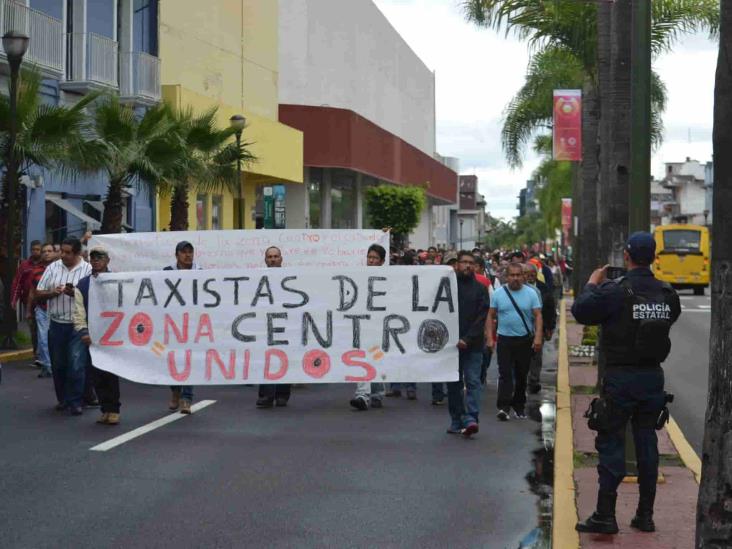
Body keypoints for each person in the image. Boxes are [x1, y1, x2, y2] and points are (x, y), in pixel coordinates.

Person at [573, 233, 681, 535]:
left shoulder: (615, 291)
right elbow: (668, 319)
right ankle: (645, 515)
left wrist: (593, 283)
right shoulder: (667, 293)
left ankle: (606, 515)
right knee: (647, 444)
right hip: (652, 378)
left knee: (611, 442)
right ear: (654, 256)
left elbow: (581, 311)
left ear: (626, 256)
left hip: (621, 379)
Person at [34, 237, 92, 415]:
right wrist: (53, 292)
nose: (63, 255)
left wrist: (75, 294)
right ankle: (63, 399)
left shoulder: (87, 269)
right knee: (58, 365)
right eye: (62, 251)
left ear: (77, 253)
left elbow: (95, 297)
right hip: (56, 323)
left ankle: (76, 401)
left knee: (76, 363)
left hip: (77, 324)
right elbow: (38, 293)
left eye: (68, 252)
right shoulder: (53, 267)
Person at [486, 262, 542, 421]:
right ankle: (503, 407)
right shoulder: (498, 294)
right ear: (506, 277)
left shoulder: (531, 294)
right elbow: (490, 315)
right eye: (512, 275)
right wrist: (490, 338)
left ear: (523, 276)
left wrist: (538, 337)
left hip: (524, 340)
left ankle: (519, 406)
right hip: (505, 339)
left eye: (518, 275)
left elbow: (538, 315)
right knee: (504, 374)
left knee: (521, 374)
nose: (515, 278)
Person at [73, 246, 121, 425]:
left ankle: (114, 408)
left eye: (99, 258)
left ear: (107, 260)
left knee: (110, 373)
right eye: (93, 258)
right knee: (95, 374)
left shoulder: (117, 281)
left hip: (112, 335)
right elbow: (78, 311)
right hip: (92, 336)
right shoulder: (83, 284)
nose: (96, 261)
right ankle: (104, 408)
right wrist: (83, 331)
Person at [445, 251, 490, 438]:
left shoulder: (480, 289)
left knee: (473, 381)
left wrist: (467, 339)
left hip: (473, 345)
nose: (467, 266)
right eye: (464, 262)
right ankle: (457, 419)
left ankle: (471, 418)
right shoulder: (446, 287)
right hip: (450, 346)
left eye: (471, 263)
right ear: (457, 265)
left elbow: (481, 317)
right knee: (453, 385)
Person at [164, 241, 201, 414]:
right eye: (184, 252)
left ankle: (187, 398)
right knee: (172, 359)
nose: (188, 255)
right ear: (177, 254)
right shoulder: (166, 273)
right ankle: (175, 391)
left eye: (190, 252)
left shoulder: (200, 273)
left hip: (193, 324)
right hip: (172, 324)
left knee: (188, 360)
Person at [350, 244, 388, 410]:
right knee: (363, 357)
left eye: (375, 258)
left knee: (377, 357)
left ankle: (377, 393)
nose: (371, 261)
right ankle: (362, 395)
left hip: (381, 326)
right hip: (362, 324)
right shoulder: (359, 276)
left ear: (382, 261)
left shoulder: (389, 277)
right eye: (369, 257)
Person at [257, 246, 292, 408]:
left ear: (281, 259)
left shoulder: (289, 278)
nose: (272, 259)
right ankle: (266, 395)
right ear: (265, 260)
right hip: (265, 324)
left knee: (284, 358)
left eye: (276, 256)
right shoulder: (257, 277)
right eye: (270, 257)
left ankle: (282, 394)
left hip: (285, 324)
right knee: (266, 359)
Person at [523, 263, 556, 394]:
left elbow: (550, 309)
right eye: (527, 274)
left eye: (533, 274)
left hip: (539, 328)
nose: (530, 277)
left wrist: (549, 327)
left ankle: (534, 380)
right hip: (522, 328)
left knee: (536, 356)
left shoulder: (543, 289)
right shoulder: (516, 289)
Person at [26, 243, 56, 378]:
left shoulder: (60, 268)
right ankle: (48, 367)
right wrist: (28, 310)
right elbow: (32, 292)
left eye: (49, 251)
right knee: (43, 339)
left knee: (55, 339)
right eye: (44, 251)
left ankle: (52, 366)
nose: (46, 253)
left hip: (58, 310)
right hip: (42, 309)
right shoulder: (36, 270)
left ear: (55, 253)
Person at [11, 240, 43, 364]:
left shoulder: (45, 265)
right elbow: (17, 283)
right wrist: (14, 300)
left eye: (38, 249)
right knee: (34, 329)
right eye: (34, 249)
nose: (36, 251)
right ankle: (37, 353)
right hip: (28, 303)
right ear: (30, 250)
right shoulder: (24, 266)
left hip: (43, 302)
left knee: (43, 329)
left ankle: (43, 355)